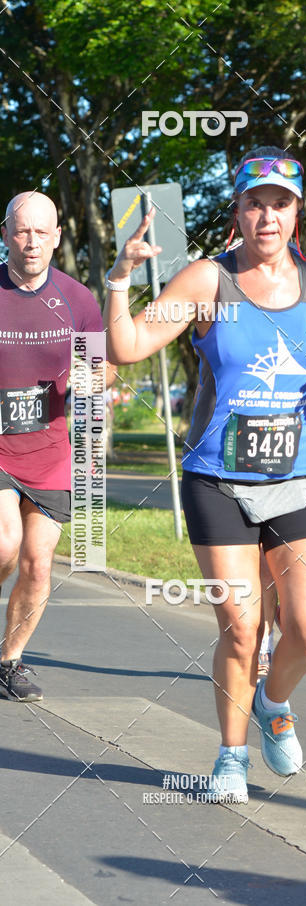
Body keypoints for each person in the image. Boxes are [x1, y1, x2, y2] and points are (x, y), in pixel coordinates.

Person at [104, 146, 306, 803]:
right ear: (238, 210)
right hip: (218, 479)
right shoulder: (204, 281)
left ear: (298, 213)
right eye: (255, 203)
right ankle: (230, 757)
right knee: (241, 628)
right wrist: (119, 277)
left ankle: (274, 703)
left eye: (281, 204)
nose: (267, 216)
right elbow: (126, 347)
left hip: (299, 477)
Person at [0, 192, 116, 701]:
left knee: (39, 563)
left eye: (41, 232)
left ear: (57, 237)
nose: (31, 242)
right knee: (4, 543)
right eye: (22, 231)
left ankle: (9, 661)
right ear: (5, 234)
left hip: (50, 454)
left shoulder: (78, 299)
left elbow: (103, 363)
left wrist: (95, 377)